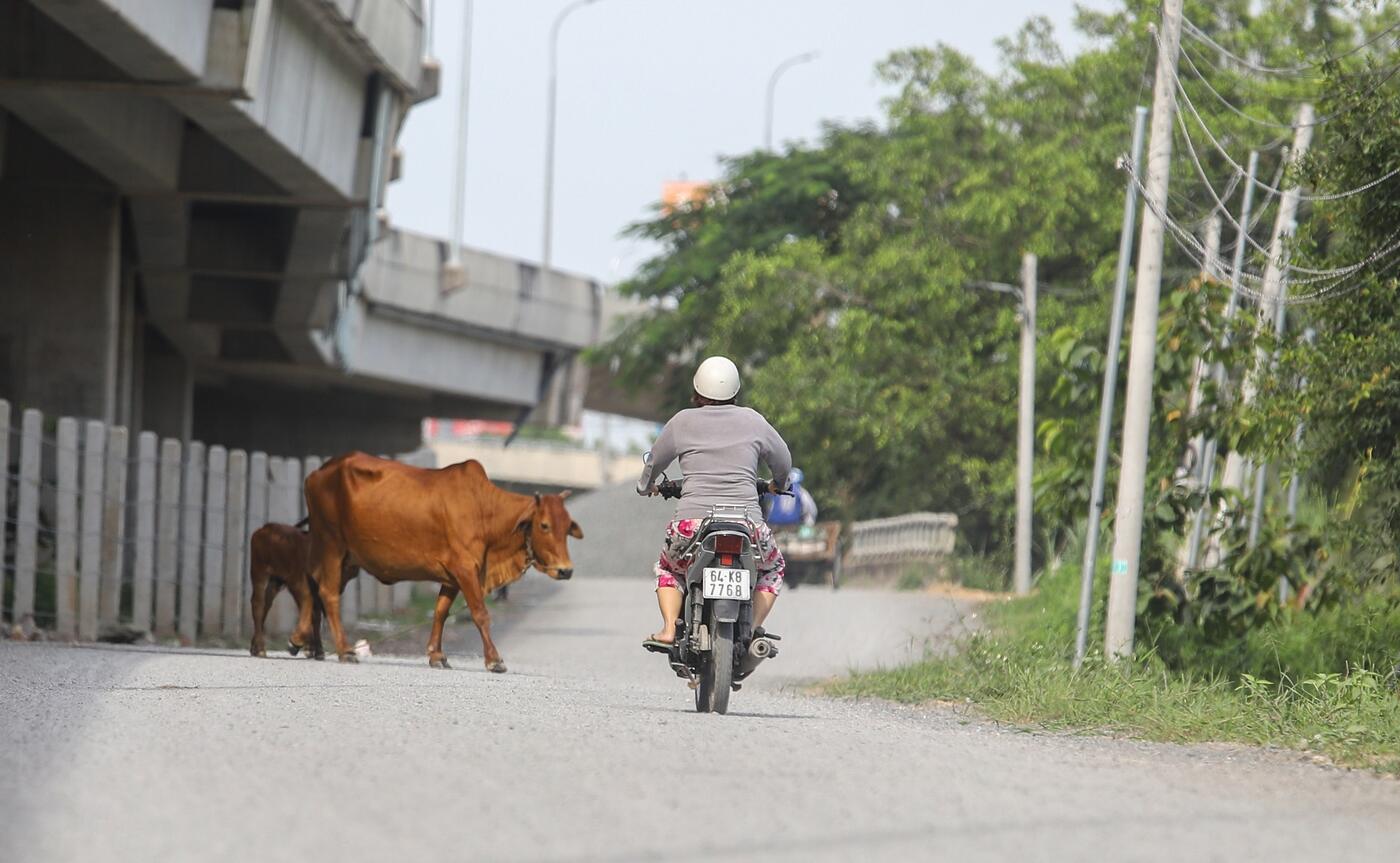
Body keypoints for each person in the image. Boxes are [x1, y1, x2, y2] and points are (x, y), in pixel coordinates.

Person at [638, 356, 791, 645]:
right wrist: (779, 485)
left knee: (669, 569)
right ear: (735, 391)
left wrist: (646, 486)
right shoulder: (753, 420)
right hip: (747, 525)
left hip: (692, 526)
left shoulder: (682, 421)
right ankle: (752, 630)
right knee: (772, 567)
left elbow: (655, 461)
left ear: (696, 390)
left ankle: (670, 628)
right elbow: (783, 459)